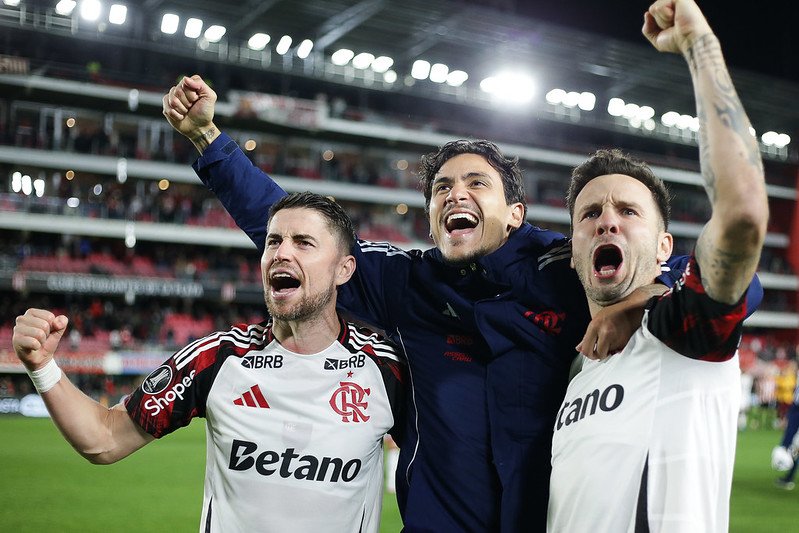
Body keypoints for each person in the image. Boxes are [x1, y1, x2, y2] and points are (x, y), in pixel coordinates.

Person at [161, 52, 758, 533]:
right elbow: (296, 229)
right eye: (441, 188)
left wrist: (637, 299)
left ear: (516, 213)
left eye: (477, 182)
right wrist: (209, 141)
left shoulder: (565, 264)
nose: (455, 194)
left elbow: (730, 279)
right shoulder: (405, 280)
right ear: (429, 219)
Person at [12, 192, 405, 533]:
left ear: (344, 269)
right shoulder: (218, 357)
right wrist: (43, 366)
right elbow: (104, 439)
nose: (282, 252)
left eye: (304, 243)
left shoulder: (387, 370)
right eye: (273, 241)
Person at [548, 1, 768, 530]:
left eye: (629, 211)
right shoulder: (575, 373)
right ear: (573, 246)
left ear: (666, 247)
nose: (607, 222)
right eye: (590, 214)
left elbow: (742, 215)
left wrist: (700, 47)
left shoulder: (683, 332)